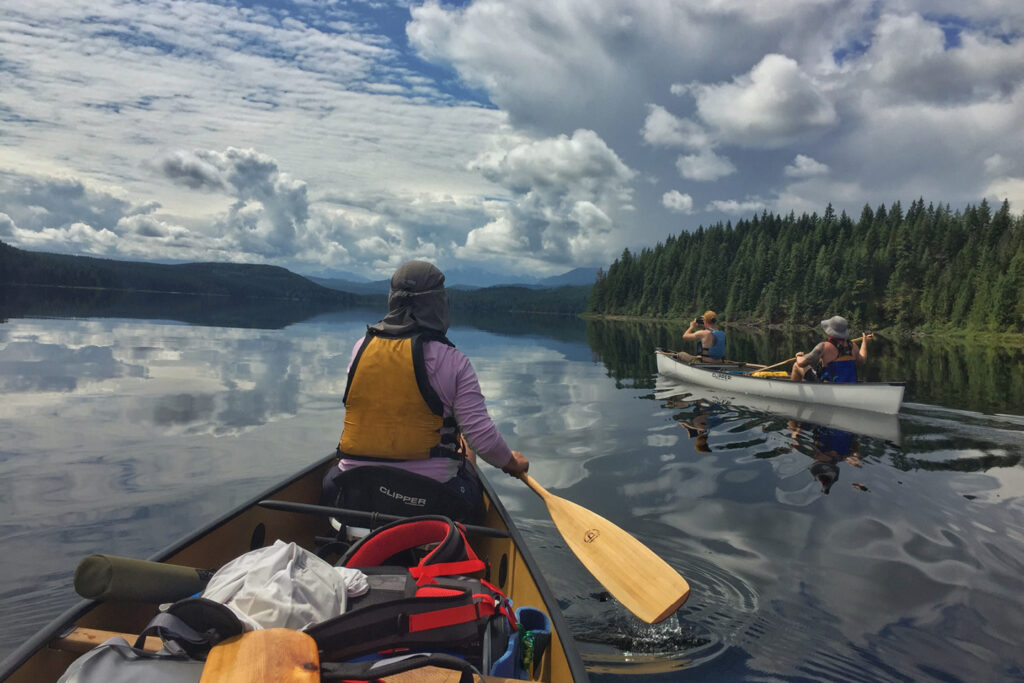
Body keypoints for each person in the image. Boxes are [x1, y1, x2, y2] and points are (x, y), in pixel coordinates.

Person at [323, 260, 529, 521]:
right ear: (438, 304)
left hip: (351, 493)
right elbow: (483, 440)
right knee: (468, 450)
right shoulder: (454, 361)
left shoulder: (360, 348)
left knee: (331, 477)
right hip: (429, 502)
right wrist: (512, 462)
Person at [791, 315, 872, 383]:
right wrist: (864, 342)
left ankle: (794, 393)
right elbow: (862, 360)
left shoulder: (824, 346)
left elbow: (801, 363)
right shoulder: (853, 346)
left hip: (827, 386)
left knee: (796, 365)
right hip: (848, 385)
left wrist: (799, 356)